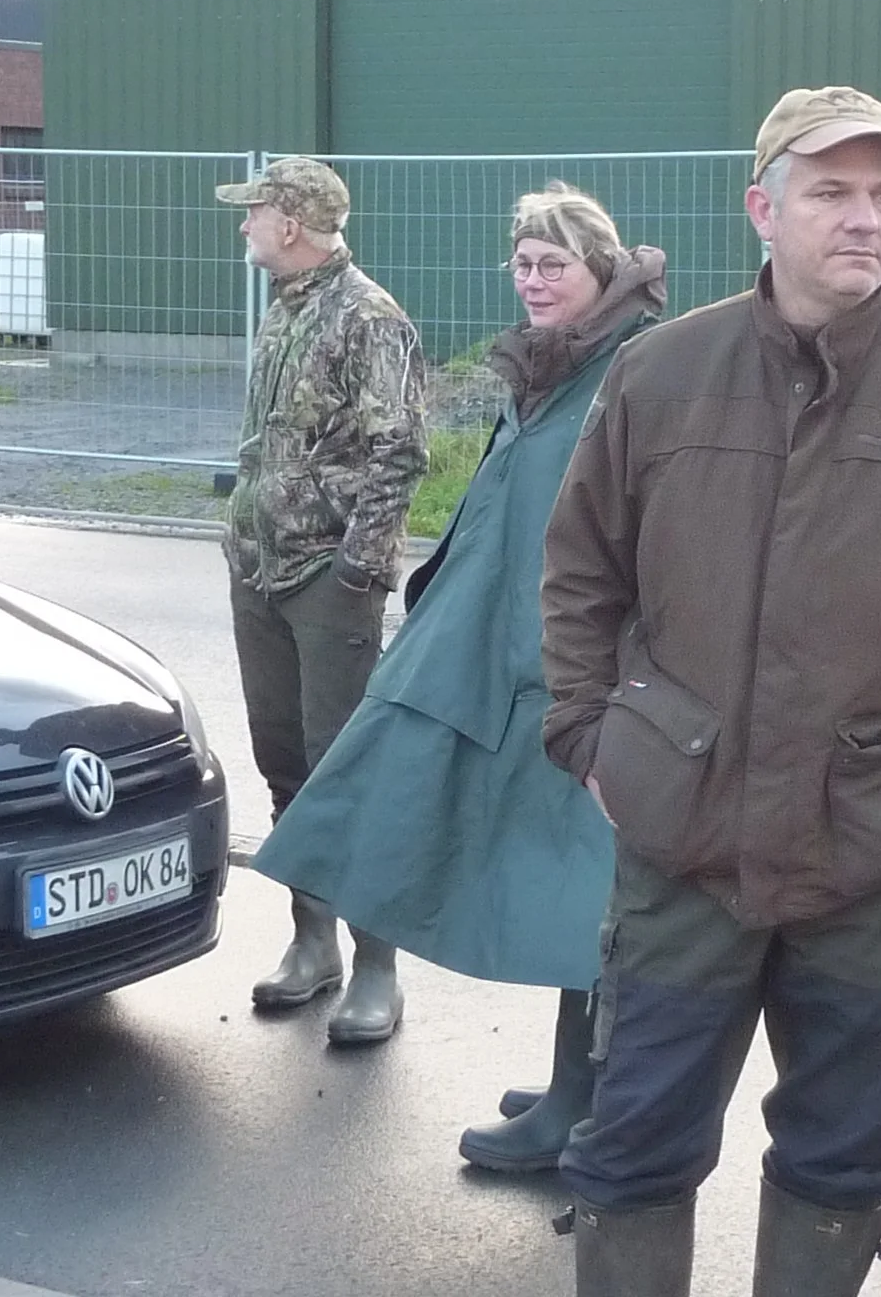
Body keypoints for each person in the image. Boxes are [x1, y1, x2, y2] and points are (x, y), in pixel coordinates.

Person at [539, 88, 881, 1297]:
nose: (862, 218)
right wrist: (586, 736)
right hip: (684, 841)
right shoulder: (662, 377)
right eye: (830, 192)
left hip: (880, 845)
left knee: (845, 1155)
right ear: (762, 210)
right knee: (633, 1145)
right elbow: (580, 572)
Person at [254, 183, 666, 1167]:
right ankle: (583, 1083)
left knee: (585, 892)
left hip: (576, 668)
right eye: (522, 263)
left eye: (553, 264)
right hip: (502, 647)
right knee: (545, 875)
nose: (532, 280)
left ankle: (584, 1109)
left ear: (601, 270)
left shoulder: (628, 372)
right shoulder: (561, 364)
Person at [215, 155, 429, 1046]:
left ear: (292, 223)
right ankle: (312, 943)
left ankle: (377, 966)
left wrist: (356, 570)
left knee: (347, 769)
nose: (245, 226)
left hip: (325, 582)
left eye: (255, 212)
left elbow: (400, 453)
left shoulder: (369, 317)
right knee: (284, 764)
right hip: (258, 570)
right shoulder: (284, 308)